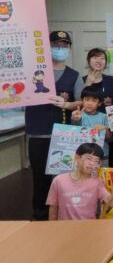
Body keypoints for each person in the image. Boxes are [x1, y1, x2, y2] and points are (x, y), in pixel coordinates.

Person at [25, 30, 84, 220]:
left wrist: (66, 104)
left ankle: (65, 215)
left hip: (64, 135)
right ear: (47, 46)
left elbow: (81, 101)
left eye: (64, 45)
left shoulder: (74, 75)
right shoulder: (32, 72)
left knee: (65, 179)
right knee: (40, 178)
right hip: (38, 133)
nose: (60, 48)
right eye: (56, 45)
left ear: (69, 48)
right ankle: (40, 216)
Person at [46, 143, 113, 220]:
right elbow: (53, 208)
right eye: (89, 159)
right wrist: (52, 227)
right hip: (64, 227)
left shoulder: (97, 182)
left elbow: (110, 202)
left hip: (89, 227)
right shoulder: (59, 180)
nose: (92, 164)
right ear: (77, 158)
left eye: (96, 161)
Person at [82, 48, 113, 167]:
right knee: (91, 164)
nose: (99, 61)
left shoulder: (111, 80)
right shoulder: (81, 80)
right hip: (89, 132)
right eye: (95, 57)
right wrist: (88, 83)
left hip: (111, 130)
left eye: (102, 58)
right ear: (88, 60)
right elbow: (78, 102)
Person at [70, 87, 111, 162]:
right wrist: (75, 120)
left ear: (99, 103)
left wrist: (105, 129)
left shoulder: (104, 116)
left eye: (94, 100)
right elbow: (73, 133)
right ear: (82, 100)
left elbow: (109, 138)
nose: (89, 103)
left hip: (101, 155)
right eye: (87, 99)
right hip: (82, 154)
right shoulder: (77, 115)